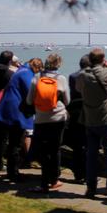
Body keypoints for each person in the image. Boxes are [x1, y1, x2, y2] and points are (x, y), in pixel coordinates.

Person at [77, 48, 107, 199]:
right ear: (103, 59)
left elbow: (78, 89)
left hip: (89, 119)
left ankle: (90, 188)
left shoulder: (82, 75)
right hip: (106, 119)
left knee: (91, 154)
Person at [26, 53, 70, 193]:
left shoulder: (37, 78)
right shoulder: (61, 79)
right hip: (58, 119)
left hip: (40, 119)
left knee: (44, 152)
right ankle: (55, 180)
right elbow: (68, 101)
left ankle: (44, 183)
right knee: (55, 149)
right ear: (58, 64)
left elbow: (28, 101)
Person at [0, 57, 43, 181]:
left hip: (8, 109)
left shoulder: (20, 71)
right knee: (15, 142)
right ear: (36, 67)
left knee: (12, 142)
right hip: (16, 111)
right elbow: (30, 92)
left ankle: (12, 169)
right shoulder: (27, 74)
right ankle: (13, 172)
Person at [65, 54, 89, 184]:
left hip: (74, 111)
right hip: (87, 111)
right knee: (88, 144)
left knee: (77, 146)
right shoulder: (90, 77)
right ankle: (87, 173)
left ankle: (78, 173)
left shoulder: (72, 76)